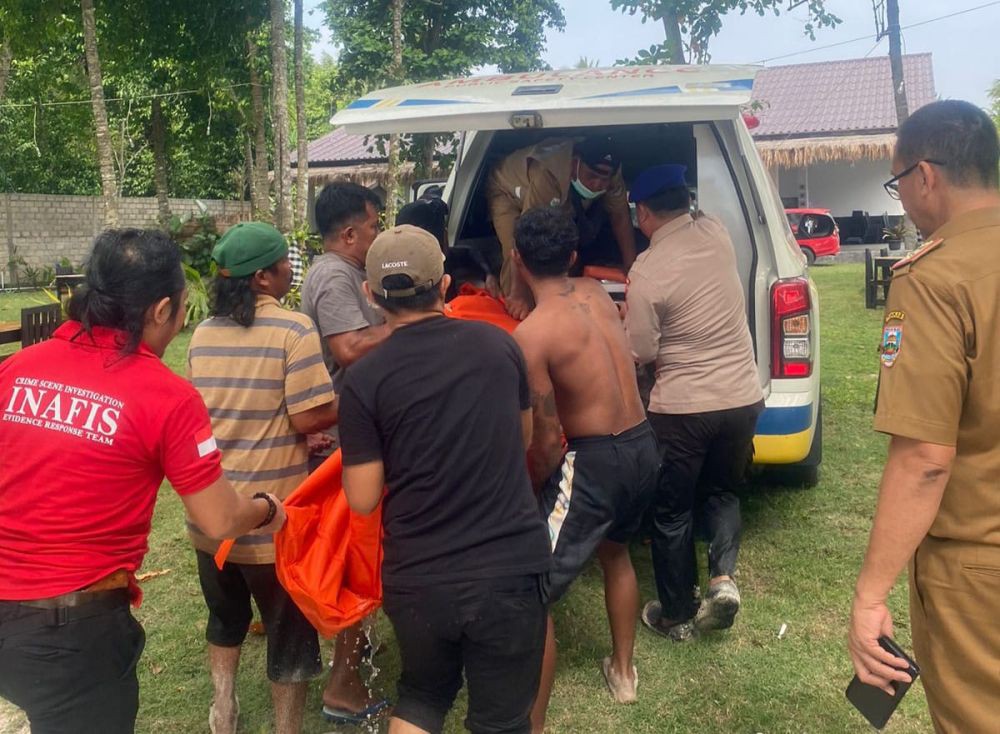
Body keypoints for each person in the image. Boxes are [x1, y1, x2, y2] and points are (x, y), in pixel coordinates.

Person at [0, 229, 285, 734]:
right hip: (72, 633)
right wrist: (266, 509)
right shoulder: (166, 397)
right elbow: (218, 518)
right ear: (160, 310)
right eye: (179, 308)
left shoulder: (17, 369)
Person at [338, 225, 551, 734]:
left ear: (371, 296)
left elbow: (363, 499)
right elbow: (522, 439)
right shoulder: (498, 347)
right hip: (508, 570)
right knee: (501, 718)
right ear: (446, 283)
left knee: (422, 696)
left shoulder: (364, 380)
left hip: (419, 577)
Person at [187, 222, 380, 733]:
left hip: (210, 515)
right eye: (284, 265)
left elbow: (224, 408)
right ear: (267, 276)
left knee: (225, 620)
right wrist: (358, 404)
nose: (289, 272)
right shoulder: (293, 330)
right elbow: (310, 416)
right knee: (286, 632)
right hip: (272, 523)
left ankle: (223, 709)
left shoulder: (202, 334)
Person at [848, 100, 1000, 733]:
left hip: (978, 566)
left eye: (898, 183)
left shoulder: (934, 278)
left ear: (925, 176)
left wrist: (870, 595)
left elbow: (925, 459)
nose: (903, 198)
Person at [509, 208, 658, 724]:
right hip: (643, 444)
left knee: (530, 584)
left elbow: (547, 438)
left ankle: (530, 718)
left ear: (516, 259)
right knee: (616, 554)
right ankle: (623, 672)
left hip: (597, 459)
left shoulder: (532, 335)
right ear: (573, 257)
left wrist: (533, 486)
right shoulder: (596, 294)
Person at [625, 164, 764, 642]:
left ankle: (676, 611)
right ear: (686, 202)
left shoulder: (646, 271)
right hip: (743, 396)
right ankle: (722, 580)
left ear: (642, 212)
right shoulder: (716, 231)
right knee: (723, 492)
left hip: (684, 408)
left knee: (672, 511)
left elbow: (640, 350)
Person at [487, 136, 638, 318]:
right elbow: (526, 235)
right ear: (575, 164)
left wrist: (633, 269)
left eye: (603, 180)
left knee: (559, 251)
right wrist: (518, 295)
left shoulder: (611, 172)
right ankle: (510, 304)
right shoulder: (549, 172)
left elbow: (620, 216)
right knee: (517, 257)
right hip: (508, 191)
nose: (598, 184)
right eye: (591, 176)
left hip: (555, 194)